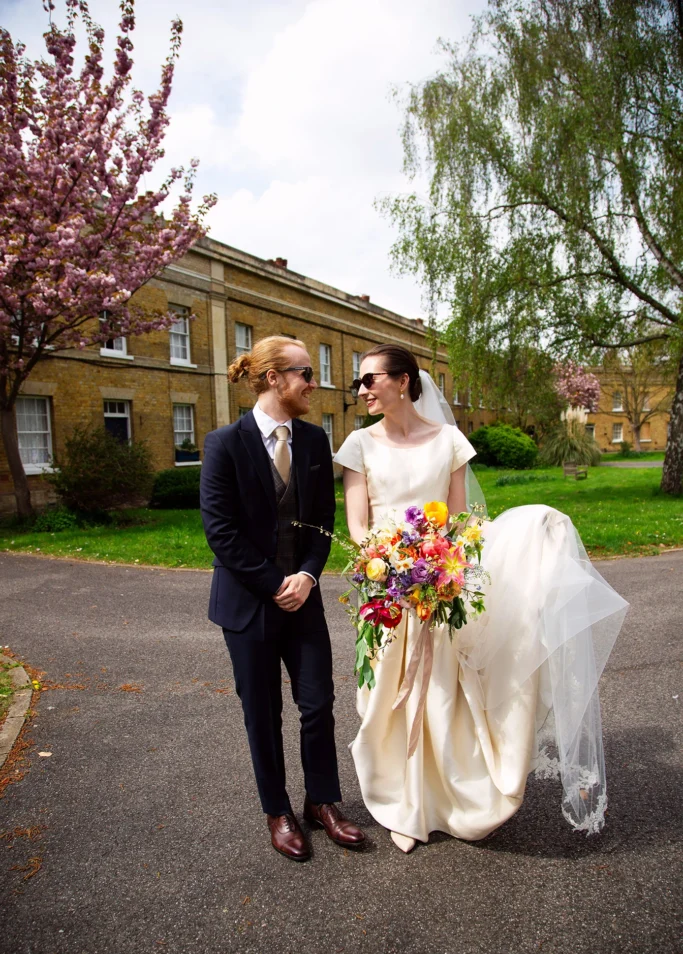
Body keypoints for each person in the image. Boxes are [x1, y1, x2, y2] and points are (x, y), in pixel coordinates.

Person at [335, 344, 628, 853]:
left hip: (439, 586)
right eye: (359, 383)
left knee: (443, 694)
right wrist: (395, 566)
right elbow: (359, 526)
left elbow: (462, 520)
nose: (360, 390)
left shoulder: (449, 440)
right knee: (390, 693)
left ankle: (447, 798)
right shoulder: (358, 443)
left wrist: (441, 568)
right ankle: (404, 801)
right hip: (388, 587)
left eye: (368, 380)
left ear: (403, 381)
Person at [200, 336, 365, 861]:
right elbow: (220, 532)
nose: (313, 384)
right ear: (274, 377)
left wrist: (310, 576)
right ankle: (278, 810)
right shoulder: (224, 443)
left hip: (305, 599)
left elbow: (321, 522)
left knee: (318, 704)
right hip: (248, 604)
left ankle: (322, 801)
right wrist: (275, 583)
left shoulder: (315, 441)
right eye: (305, 373)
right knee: (263, 712)